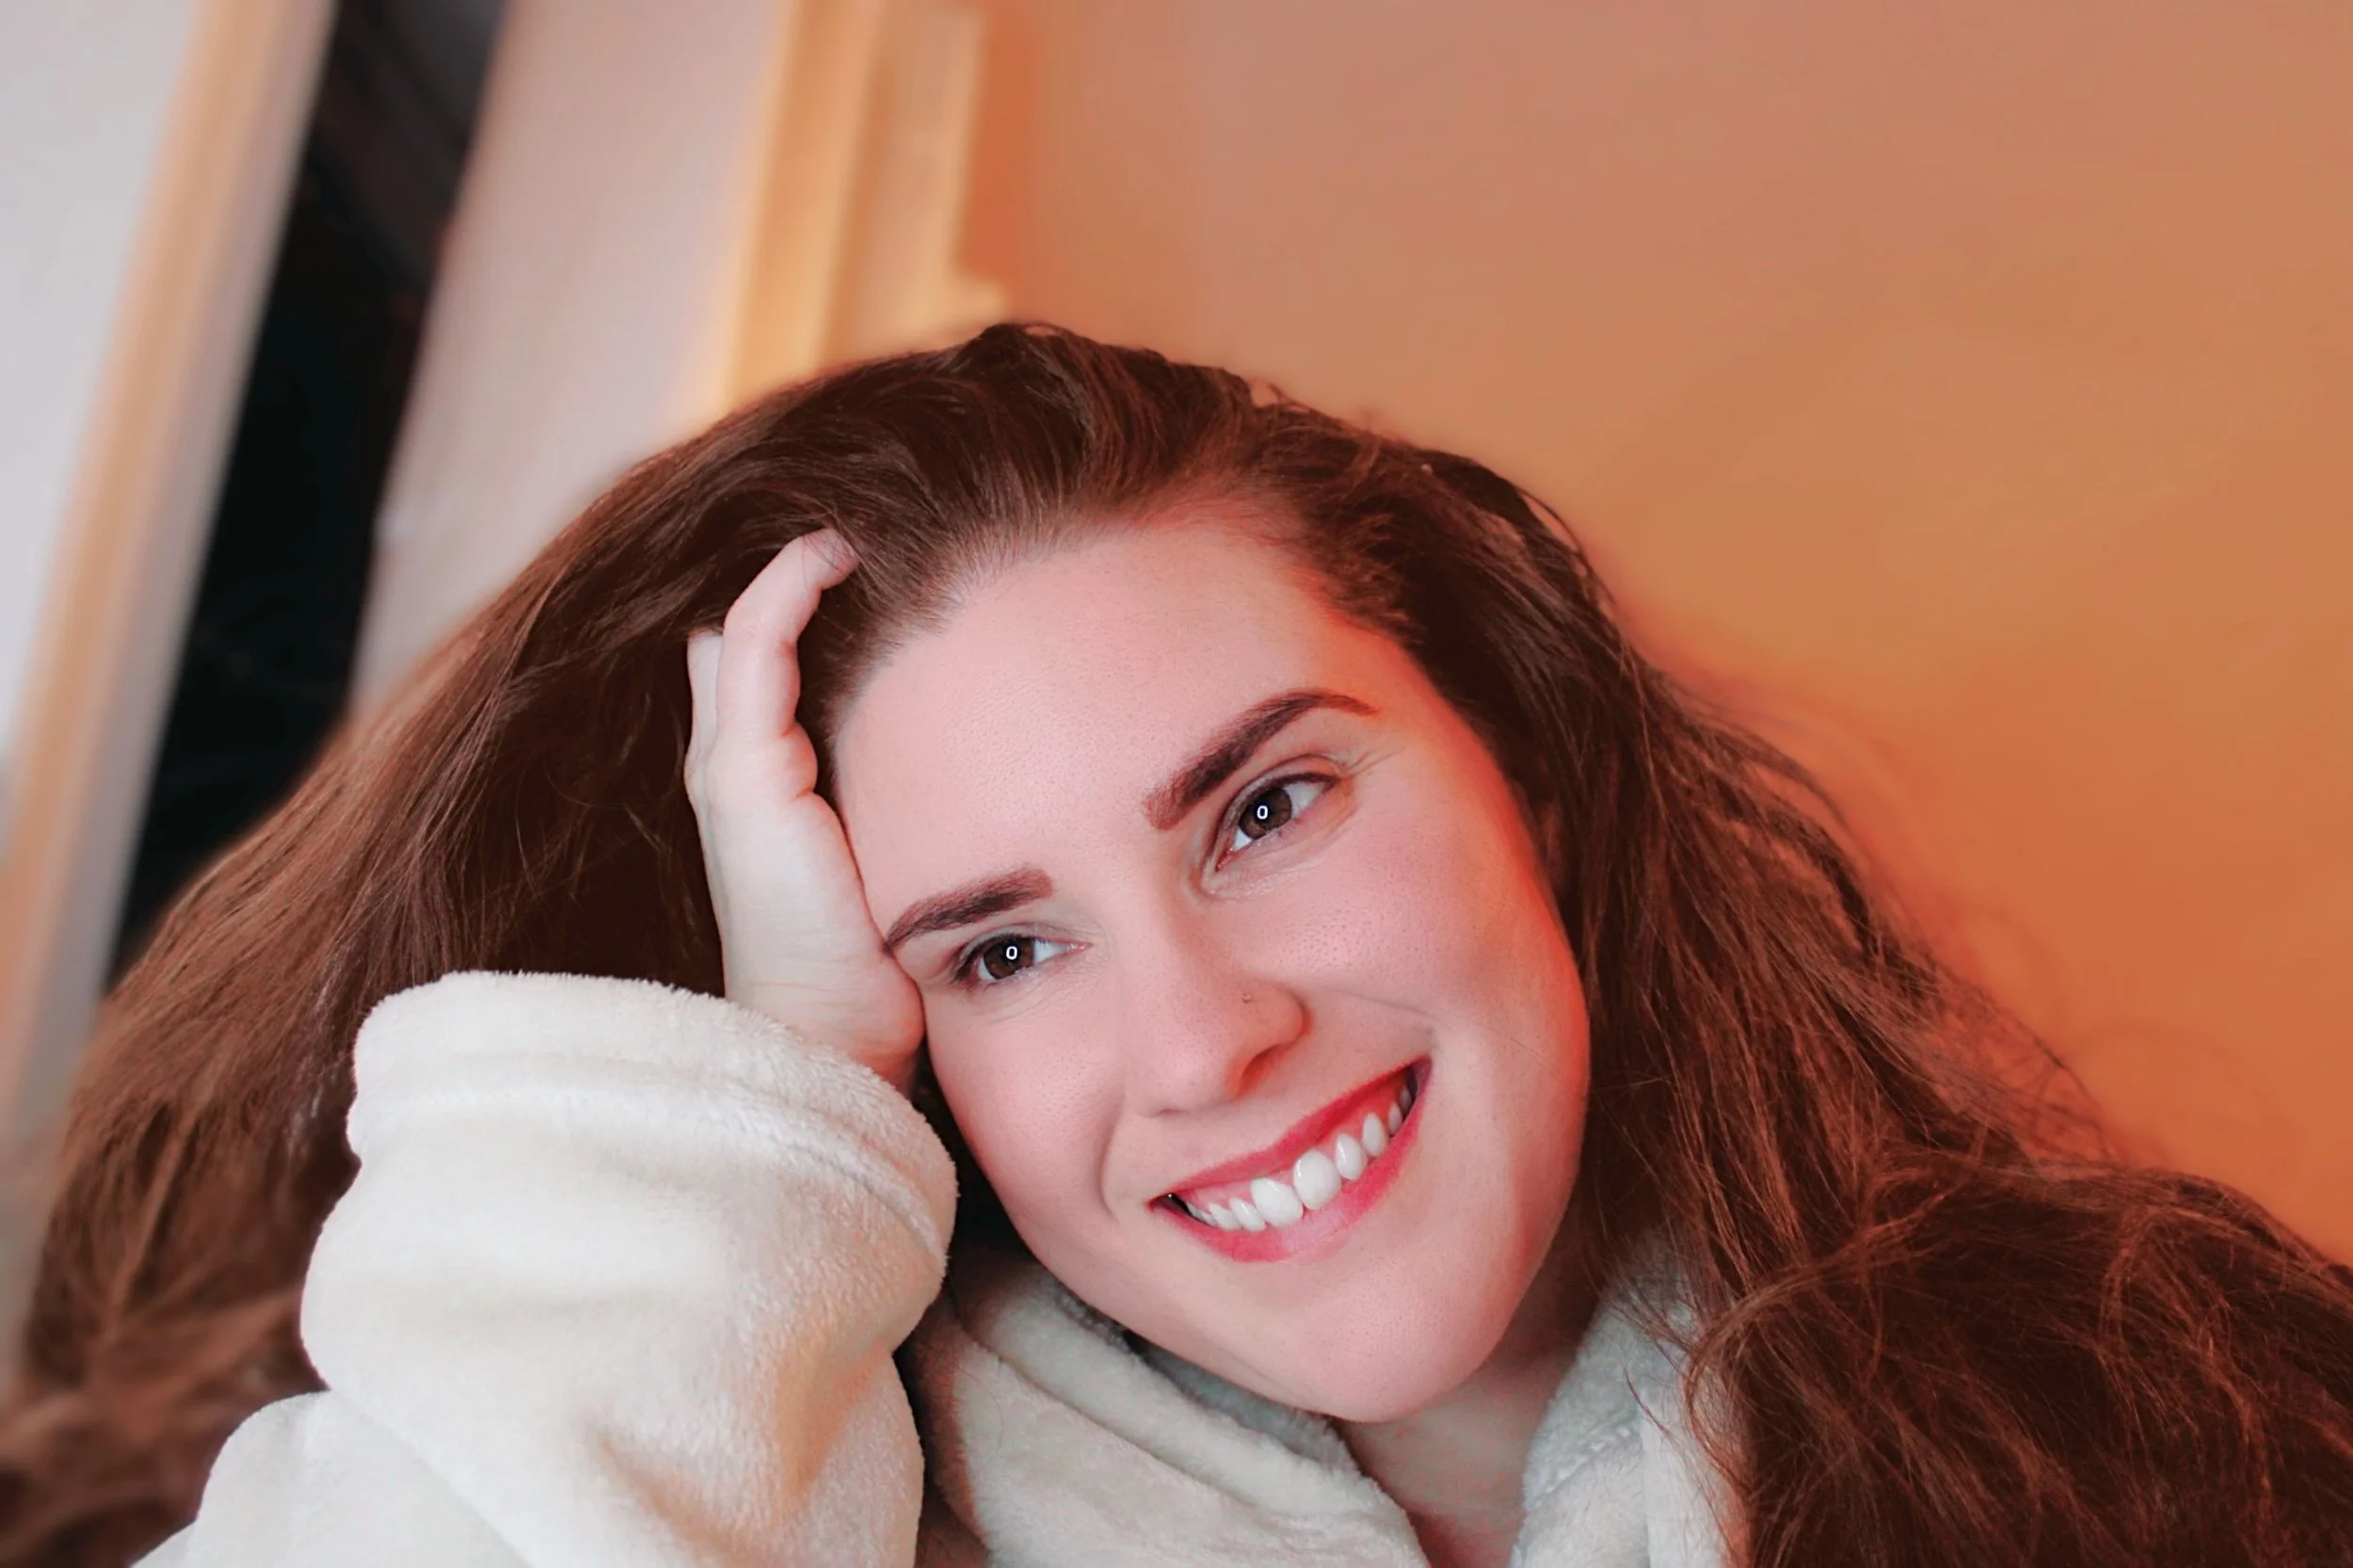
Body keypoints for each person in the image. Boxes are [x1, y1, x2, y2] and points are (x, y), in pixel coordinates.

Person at [3, 324, 2349, 1567]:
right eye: (998, 951)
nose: (1213, 1039)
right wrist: (773, 1104)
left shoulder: (2204, 1416)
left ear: (1523, 759)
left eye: (1265, 804)